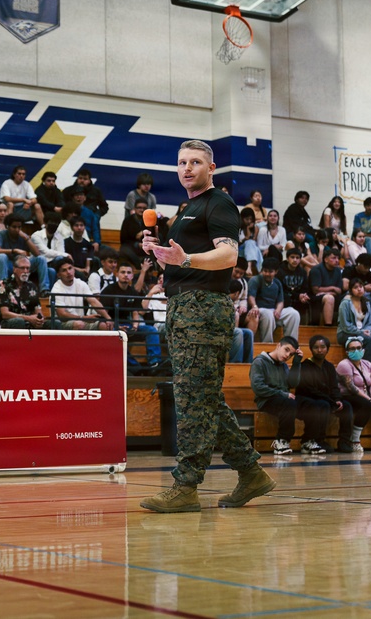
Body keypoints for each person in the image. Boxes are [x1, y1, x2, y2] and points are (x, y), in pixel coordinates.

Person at [139, 139, 275, 514]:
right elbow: (179, 264)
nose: (187, 168)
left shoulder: (219, 202)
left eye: (195, 162)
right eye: (182, 162)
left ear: (211, 168)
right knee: (204, 400)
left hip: (202, 309)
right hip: (183, 308)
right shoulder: (188, 209)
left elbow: (228, 254)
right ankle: (251, 473)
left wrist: (187, 259)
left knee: (191, 401)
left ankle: (186, 486)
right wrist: (160, 254)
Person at [250, 336, 326, 455]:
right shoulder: (259, 362)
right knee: (289, 403)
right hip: (267, 400)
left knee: (312, 405)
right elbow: (258, 387)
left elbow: (293, 384)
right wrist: (283, 394)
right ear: (278, 346)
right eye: (286, 350)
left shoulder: (284, 365)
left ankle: (308, 441)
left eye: (291, 354)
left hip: (284, 399)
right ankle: (282, 441)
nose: (287, 355)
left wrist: (296, 363)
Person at [297, 336, 357, 453]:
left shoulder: (329, 366)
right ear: (311, 349)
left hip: (327, 399)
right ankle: (319, 440)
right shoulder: (305, 366)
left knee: (346, 406)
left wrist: (337, 399)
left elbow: (334, 387)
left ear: (327, 349)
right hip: (310, 399)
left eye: (322, 347)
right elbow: (309, 390)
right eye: (316, 347)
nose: (319, 350)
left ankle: (344, 441)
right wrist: (331, 401)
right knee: (323, 404)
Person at [102, 261, 162, 372]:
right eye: (123, 272)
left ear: (132, 276)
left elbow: (135, 312)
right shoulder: (109, 290)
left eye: (129, 273)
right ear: (117, 274)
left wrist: (135, 326)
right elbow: (104, 313)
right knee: (116, 337)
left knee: (151, 330)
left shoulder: (132, 291)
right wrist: (117, 326)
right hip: (111, 326)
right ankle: (136, 368)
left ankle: (155, 363)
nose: (126, 275)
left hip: (127, 325)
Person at [0, 214, 50, 295]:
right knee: (2, 256)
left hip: (20, 266)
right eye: (14, 227)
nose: (17, 230)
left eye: (19, 227)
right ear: (7, 227)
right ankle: (4, 287)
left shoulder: (23, 236)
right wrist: (14, 250)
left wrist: (26, 238)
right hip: (6, 265)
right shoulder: (1, 234)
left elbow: (37, 253)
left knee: (41, 259)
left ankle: (44, 289)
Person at [247, 257, 299, 343]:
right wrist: (254, 306)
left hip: (273, 310)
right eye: (265, 271)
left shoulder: (277, 282)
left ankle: (290, 343)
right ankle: (267, 344)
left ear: (276, 272)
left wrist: (278, 310)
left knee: (293, 313)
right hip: (259, 310)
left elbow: (280, 301)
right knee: (268, 314)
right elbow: (251, 297)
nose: (267, 274)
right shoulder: (255, 280)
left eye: (270, 272)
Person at [50, 258, 112, 330]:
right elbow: (62, 314)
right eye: (64, 270)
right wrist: (83, 318)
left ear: (74, 269)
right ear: (58, 275)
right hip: (62, 323)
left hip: (81, 320)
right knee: (79, 324)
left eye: (70, 268)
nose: (68, 272)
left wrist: (108, 318)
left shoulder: (81, 283)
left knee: (104, 326)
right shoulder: (57, 289)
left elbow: (94, 302)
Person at [337, 278, 371, 364]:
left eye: (361, 286)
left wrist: (367, 330)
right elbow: (345, 325)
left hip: (362, 332)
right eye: (355, 287)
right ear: (351, 290)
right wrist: (361, 332)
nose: (359, 289)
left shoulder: (366, 302)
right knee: (369, 340)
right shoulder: (345, 303)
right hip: (346, 333)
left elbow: (370, 322)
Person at [0, 255, 47, 329]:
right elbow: (5, 314)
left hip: (29, 322)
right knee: (19, 322)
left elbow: (38, 310)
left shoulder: (32, 286)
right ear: (14, 269)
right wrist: (28, 318)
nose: (25, 271)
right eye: (22, 268)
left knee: (53, 323)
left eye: (27, 268)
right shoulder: (4, 285)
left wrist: (39, 319)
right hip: (9, 323)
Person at [309, 248, 343, 325]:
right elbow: (315, 290)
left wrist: (329, 291)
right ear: (326, 259)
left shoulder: (338, 270)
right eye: (333, 258)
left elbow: (339, 290)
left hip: (332, 295)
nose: (337, 260)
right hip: (315, 297)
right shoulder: (316, 269)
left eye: (338, 258)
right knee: (329, 298)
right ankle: (328, 326)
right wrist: (332, 288)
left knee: (348, 298)